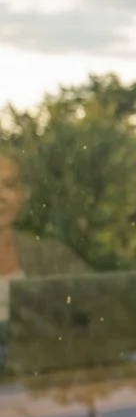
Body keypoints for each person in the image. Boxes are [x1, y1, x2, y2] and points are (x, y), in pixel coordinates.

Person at [0, 146, 89, 370]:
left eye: (9, 185)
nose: (0, 196)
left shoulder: (51, 256)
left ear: (21, 194)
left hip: (40, 392)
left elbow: (102, 308)